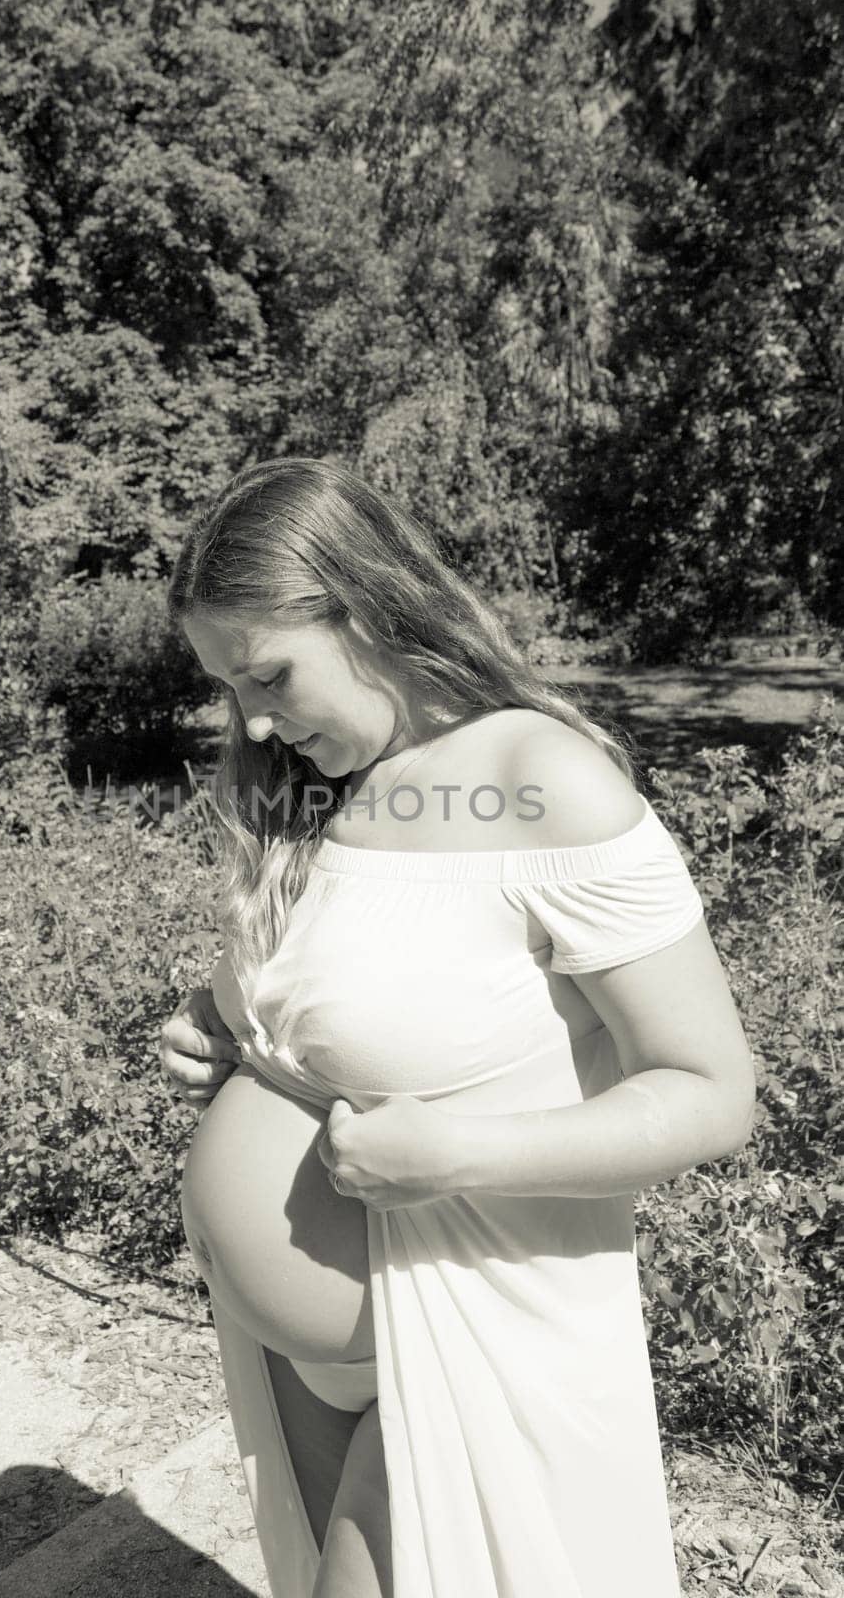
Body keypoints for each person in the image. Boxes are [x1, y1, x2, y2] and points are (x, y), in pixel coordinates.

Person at [158, 457, 757, 1598]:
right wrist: (219, 1026)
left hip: (470, 1318)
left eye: (269, 673)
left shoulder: (538, 779)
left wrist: (458, 1151)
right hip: (310, 1358)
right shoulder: (321, 786)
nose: (253, 718)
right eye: (228, 687)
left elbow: (710, 1089)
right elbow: (340, 989)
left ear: (365, 603)